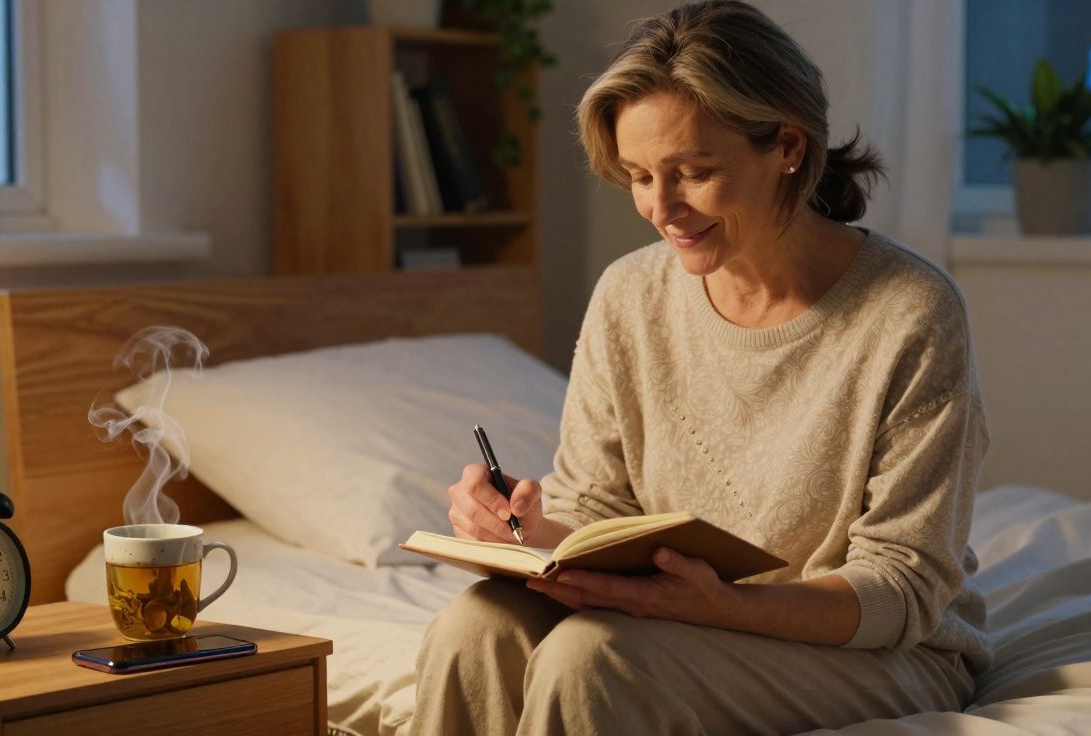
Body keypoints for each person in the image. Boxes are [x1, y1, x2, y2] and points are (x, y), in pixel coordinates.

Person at [409, 1, 990, 733]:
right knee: (475, 629)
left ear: (787, 146)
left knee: (592, 659)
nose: (662, 208)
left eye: (694, 172)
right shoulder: (630, 293)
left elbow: (903, 589)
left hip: (878, 648)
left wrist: (723, 604)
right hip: (685, 619)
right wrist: (526, 531)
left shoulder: (910, 309)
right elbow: (597, 510)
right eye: (638, 175)